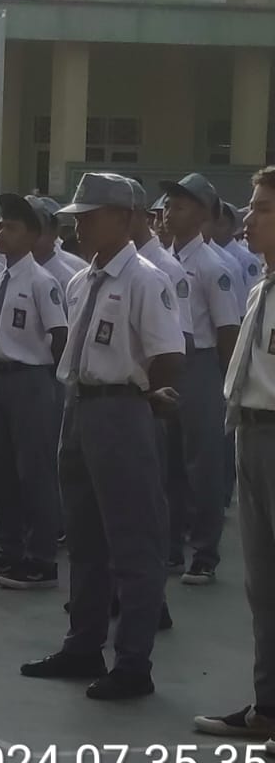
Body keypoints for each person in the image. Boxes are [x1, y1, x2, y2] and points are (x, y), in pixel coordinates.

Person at [20, 173, 183, 701]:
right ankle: (83, 643)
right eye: (78, 217)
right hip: (81, 406)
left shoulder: (146, 279)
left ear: (124, 218)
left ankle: (133, 662)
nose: (80, 226)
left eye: (90, 216)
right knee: (85, 538)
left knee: (134, 541)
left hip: (121, 410)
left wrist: (152, 397)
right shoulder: (80, 280)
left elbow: (167, 354)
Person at [194, 166, 275, 739]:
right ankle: (267, 705)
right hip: (251, 431)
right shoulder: (260, 289)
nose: (249, 217)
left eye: (263, 208)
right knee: (262, 583)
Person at [0, 193, 68, 590]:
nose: (0, 234)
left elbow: (59, 335)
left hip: (31, 379)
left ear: (33, 235)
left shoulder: (44, 283)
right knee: (3, 469)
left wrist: (52, 384)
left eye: (10, 227)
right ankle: (9, 549)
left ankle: (41, 557)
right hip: (0, 377)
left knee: (35, 470)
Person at [160, 172, 240, 585]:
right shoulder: (161, 259)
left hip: (203, 364)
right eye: (169, 205)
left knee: (203, 462)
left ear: (205, 213)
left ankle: (205, 552)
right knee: (168, 460)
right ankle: (171, 547)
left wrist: (226, 386)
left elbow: (228, 329)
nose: (170, 213)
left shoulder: (214, 266)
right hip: (170, 361)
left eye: (180, 205)